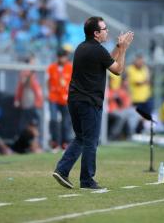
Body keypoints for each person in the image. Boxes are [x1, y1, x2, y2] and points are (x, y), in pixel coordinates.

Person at [52, 16, 134, 190]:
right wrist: (124, 49)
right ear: (96, 33)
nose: (107, 32)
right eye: (104, 29)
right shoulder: (97, 50)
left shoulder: (82, 48)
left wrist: (118, 47)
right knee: (90, 141)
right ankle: (87, 180)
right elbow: (118, 70)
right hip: (89, 102)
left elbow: (107, 62)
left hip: (74, 101)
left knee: (81, 138)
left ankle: (62, 169)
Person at [47, 48, 73, 151]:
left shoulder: (70, 68)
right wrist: (48, 93)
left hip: (66, 98)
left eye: (64, 56)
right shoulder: (51, 68)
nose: (62, 58)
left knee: (66, 122)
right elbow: (47, 81)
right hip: (54, 97)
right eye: (60, 56)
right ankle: (54, 143)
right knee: (53, 119)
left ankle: (64, 143)